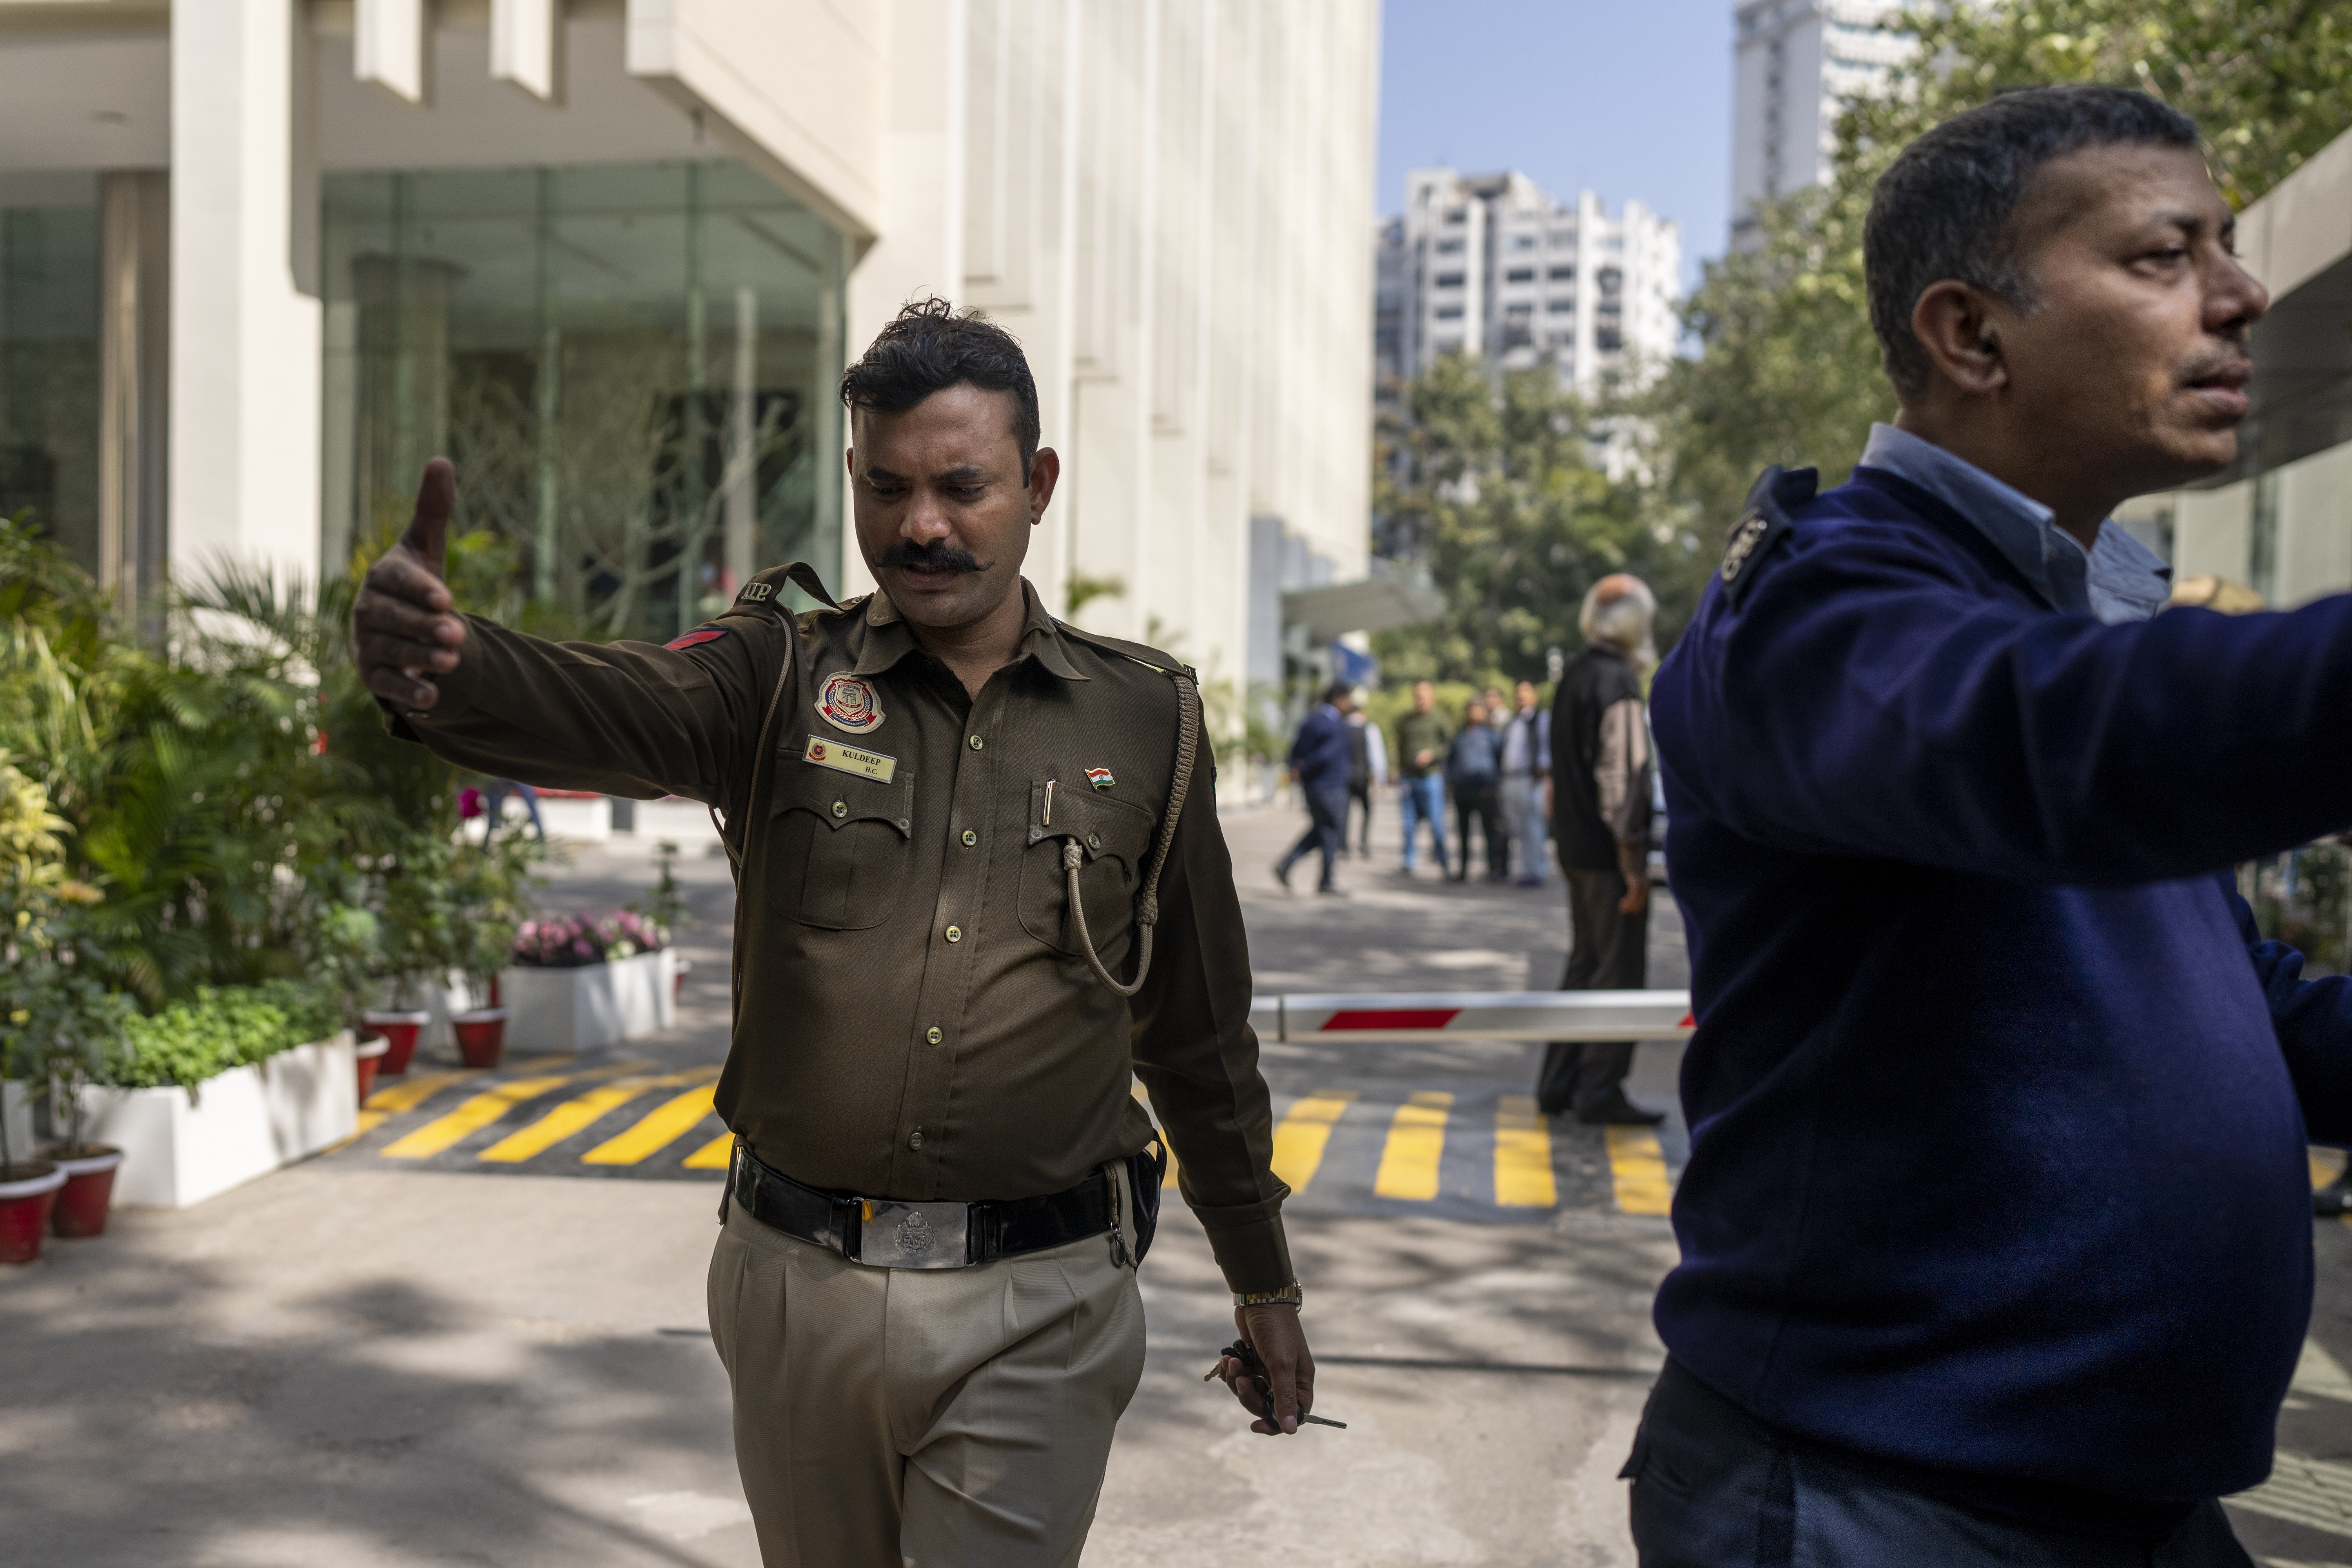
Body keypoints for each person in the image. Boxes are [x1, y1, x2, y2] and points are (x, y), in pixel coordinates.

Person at [352, 300, 1316, 1567]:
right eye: (887, 487)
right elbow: (616, 706)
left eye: (962, 487)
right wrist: (454, 668)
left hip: (1045, 1295)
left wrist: (1265, 1280)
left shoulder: (1147, 721)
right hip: (794, 1286)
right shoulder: (777, 676)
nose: (921, 526)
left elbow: (1195, 1031)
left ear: (1037, 486)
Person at [1630, 86, 2350, 1564]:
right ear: (1971, 336)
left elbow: (2222, 997)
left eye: (2224, 243)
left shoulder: (2069, 609)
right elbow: (2060, 741)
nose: (2241, 292)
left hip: (2116, 1502)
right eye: (2164, 255)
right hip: (1876, 1497)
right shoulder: (1821, 613)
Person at [1535, 576, 1662, 1126]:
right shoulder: (1618, 684)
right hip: (1608, 857)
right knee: (1617, 970)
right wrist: (1634, 864)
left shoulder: (1576, 678)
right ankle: (1599, 1090)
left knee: (1584, 963)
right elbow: (1623, 781)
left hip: (1575, 848)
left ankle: (1558, 1084)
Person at [1274, 682, 1355, 895]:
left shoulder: (1311, 719)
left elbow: (1296, 747)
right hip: (1330, 786)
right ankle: (1326, 882)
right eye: (1348, 699)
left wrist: (1297, 767)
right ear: (1338, 700)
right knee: (1330, 831)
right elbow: (1327, 753)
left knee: (1322, 829)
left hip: (1313, 787)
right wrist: (1306, 766)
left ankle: (1287, 864)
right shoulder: (1335, 724)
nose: (1350, 704)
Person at [1392, 679, 1452, 877]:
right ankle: (1409, 861)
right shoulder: (1405, 720)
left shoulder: (1439, 719)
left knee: (1436, 823)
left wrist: (1432, 754)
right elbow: (1399, 747)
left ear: (1431, 697)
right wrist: (1397, 769)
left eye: (1425, 694)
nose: (1421, 699)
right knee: (1409, 824)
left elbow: (1450, 746)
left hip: (1431, 777)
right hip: (1409, 778)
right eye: (1418, 695)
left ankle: (1444, 861)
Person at [1445, 698, 1507, 883]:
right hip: (1463, 789)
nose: (1473, 714)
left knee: (1488, 831)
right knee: (1463, 831)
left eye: (1477, 710)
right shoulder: (1460, 735)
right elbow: (1451, 760)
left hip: (1484, 789)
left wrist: (1493, 785)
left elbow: (1500, 761)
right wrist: (1450, 783)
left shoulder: (1491, 735)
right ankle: (1463, 869)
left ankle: (1493, 869)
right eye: (1470, 710)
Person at [1498, 679, 1552, 887]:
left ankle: (1537, 869)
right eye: (1518, 693)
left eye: (1525, 693)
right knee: (1519, 827)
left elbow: (1546, 746)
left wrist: (1542, 770)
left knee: (1533, 825)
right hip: (1511, 778)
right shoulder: (1513, 721)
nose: (1521, 697)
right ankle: (1525, 868)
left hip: (1530, 778)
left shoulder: (1541, 718)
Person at [1343, 694, 1387, 858]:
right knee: (1367, 811)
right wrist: (1380, 778)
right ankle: (1363, 842)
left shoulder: (1343, 727)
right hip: (1362, 777)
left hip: (1346, 777)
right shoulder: (1369, 729)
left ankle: (1344, 845)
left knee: (1345, 812)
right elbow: (1377, 755)